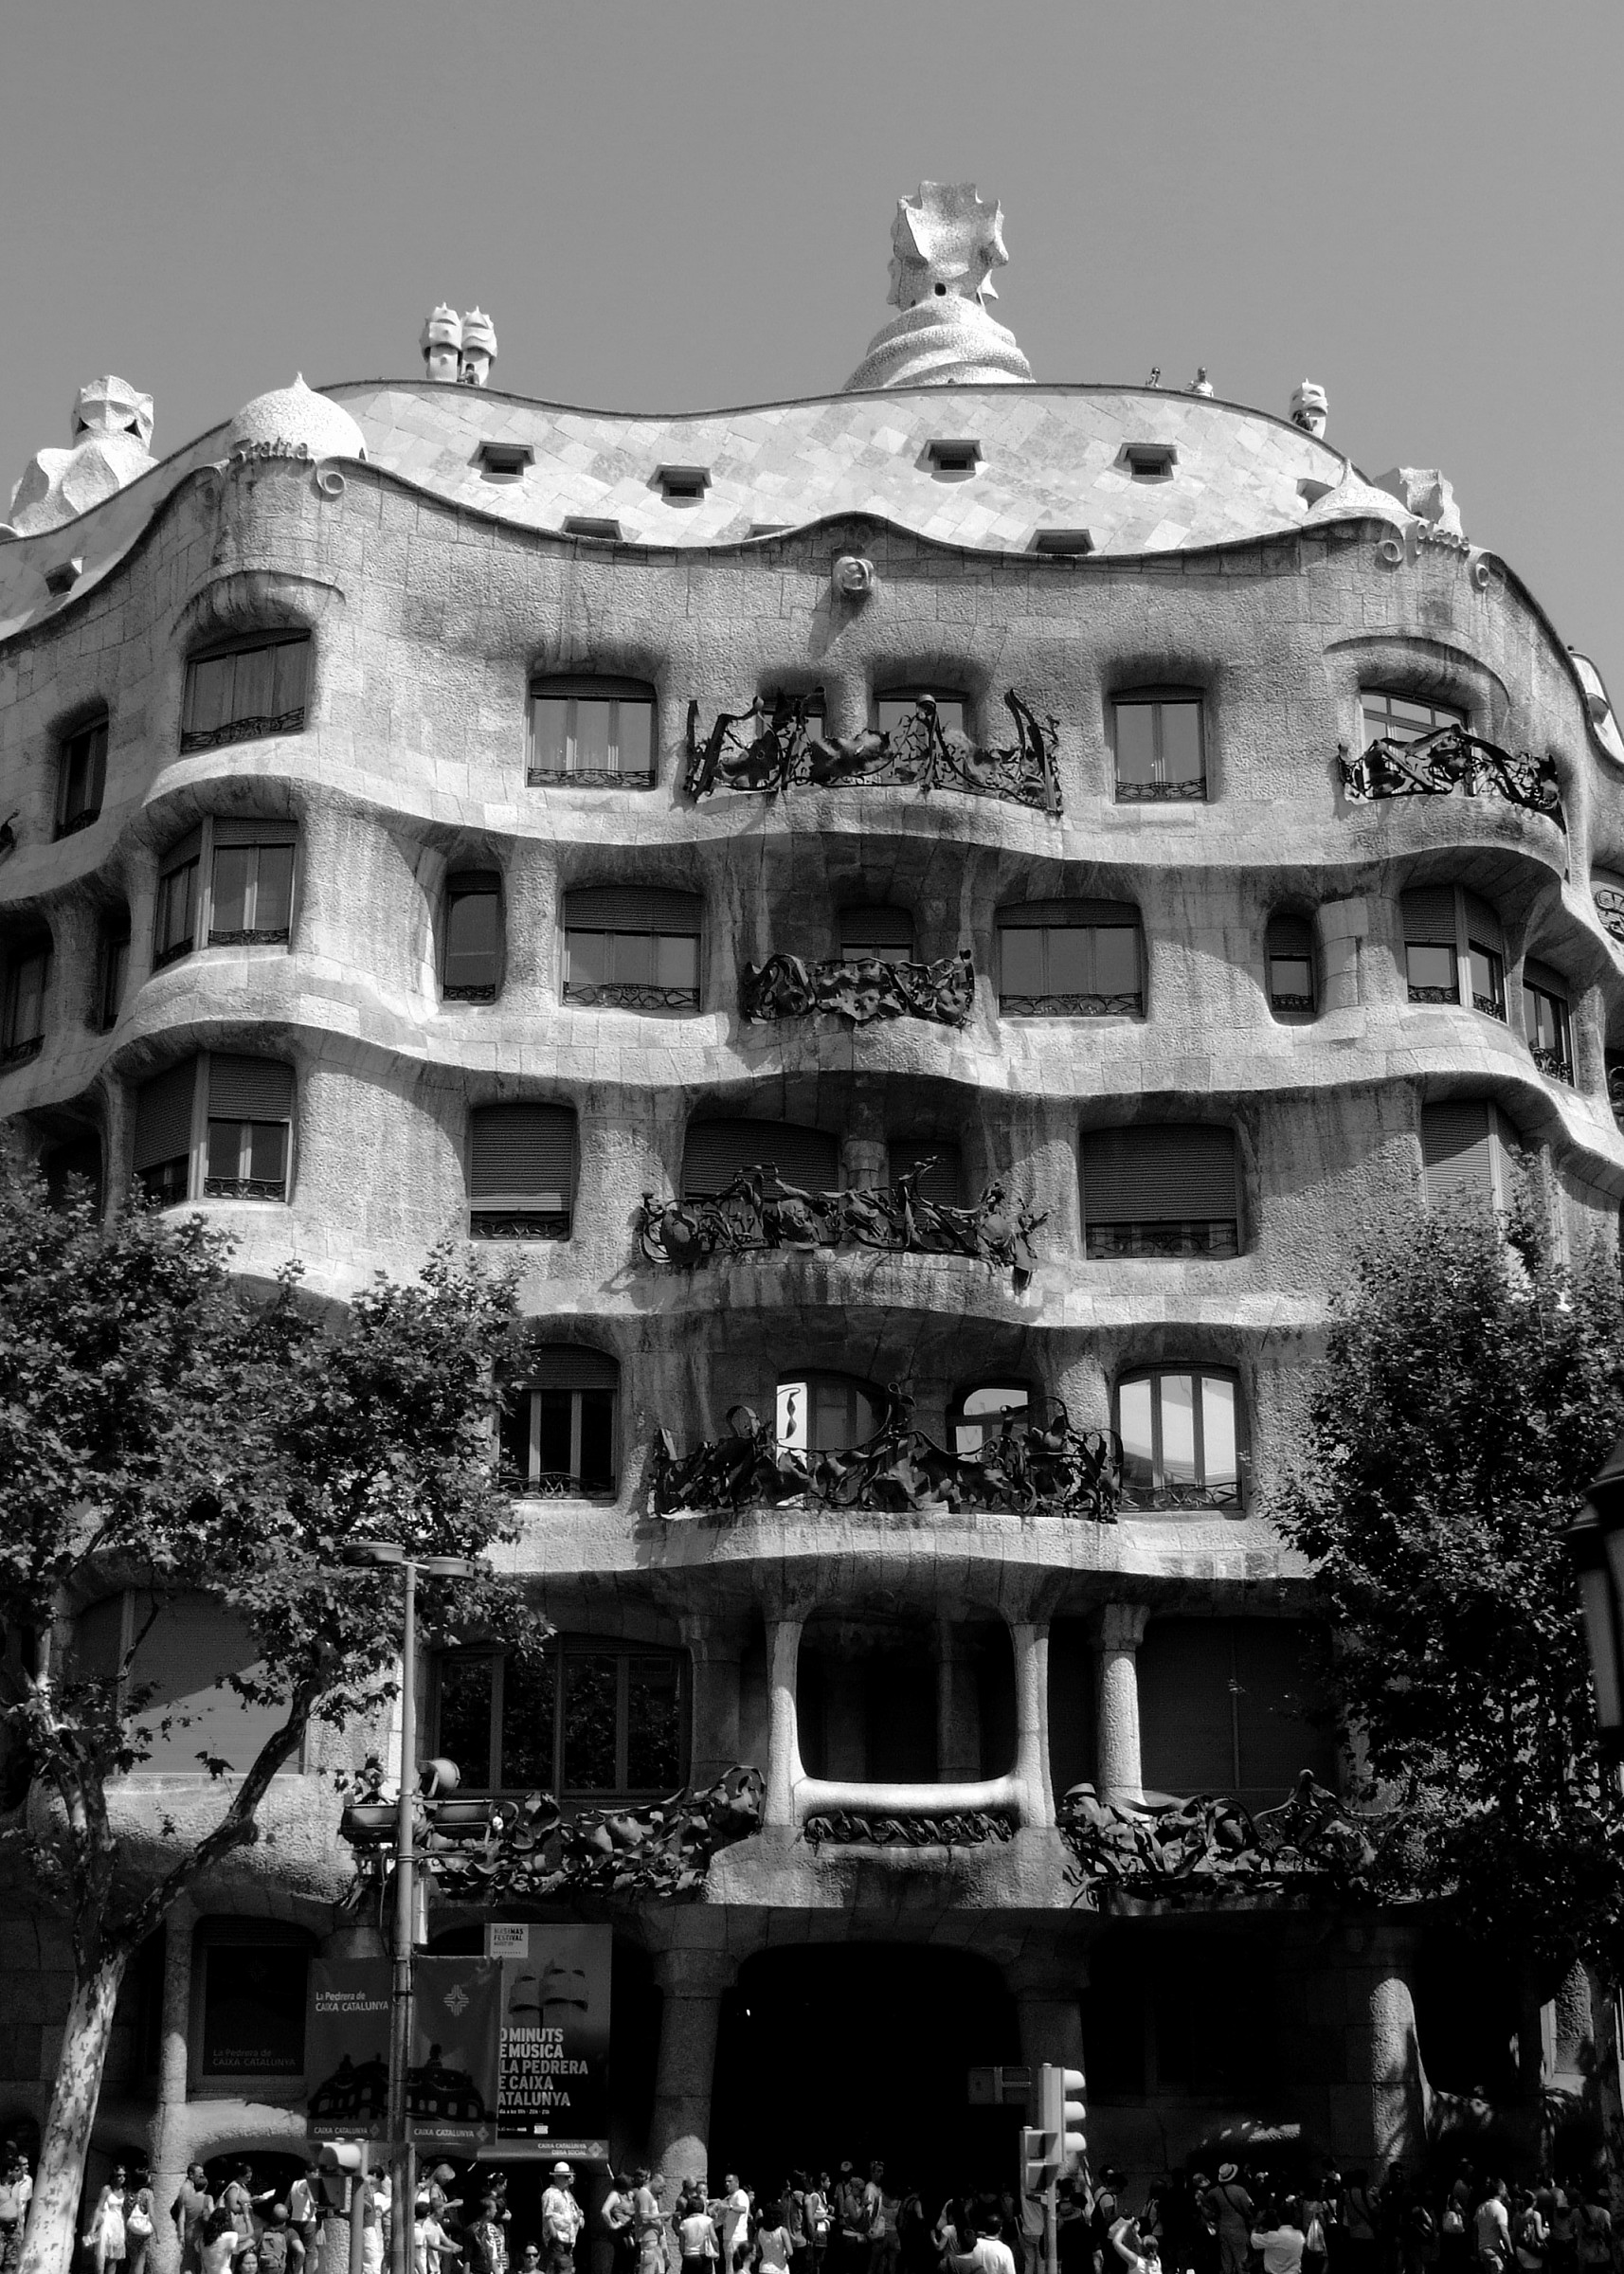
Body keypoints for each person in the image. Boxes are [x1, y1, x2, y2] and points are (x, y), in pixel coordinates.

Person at [1203, 2175, 1254, 2274]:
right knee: (1241, 2261)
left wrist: (1216, 2213)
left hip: (1223, 2228)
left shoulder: (1215, 2192)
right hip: (1238, 2228)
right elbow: (1247, 2209)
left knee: (1227, 2262)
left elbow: (1205, 2202)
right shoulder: (1240, 2190)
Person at [85, 2166, 131, 2274]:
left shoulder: (124, 2191)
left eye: (124, 2175)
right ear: (114, 2176)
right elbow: (99, 2208)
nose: (122, 2178)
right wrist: (93, 2228)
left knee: (114, 2258)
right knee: (101, 2256)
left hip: (119, 2223)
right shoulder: (106, 2189)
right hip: (107, 2223)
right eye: (119, 2175)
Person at [542, 2165, 585, 2274]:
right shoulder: (550, 2193)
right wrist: (554, 2233)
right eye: (565, 2177)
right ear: (557, 2177)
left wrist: (579, 2216)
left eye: (568, 2177)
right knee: (559, 2267)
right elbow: (547, 2215)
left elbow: (573, 2210)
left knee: (566, 2268)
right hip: (558, 2238)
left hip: (569, 2239)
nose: (567, 2180)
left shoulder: (567, 2194)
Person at [1251, 2203, 1308, 2274]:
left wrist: (1257, 2222)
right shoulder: (1299, 2235)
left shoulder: (1273, 2236)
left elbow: (1254, 2241)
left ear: (1278, 2219)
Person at [1474, 2185, 1511, 2274]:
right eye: (1505, 2189)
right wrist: (1510, 2250)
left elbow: (1475, 2230)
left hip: (1482, 2249)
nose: (1506, 2192)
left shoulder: (1481, 2207)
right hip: (1495, 2249)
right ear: (1500, 2191)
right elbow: (1504, 2232)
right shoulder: (1500, 2208)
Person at [258, 2207, 305, 2274]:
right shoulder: (290, 2233)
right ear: (287, 2217)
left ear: (271, 2216)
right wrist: (296, 2271)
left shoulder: (262, 2231)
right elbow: (301, 2251)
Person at [718, 2179, 750, 2274]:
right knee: (730, 2266)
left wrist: (730, 2207)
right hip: (729, 2237)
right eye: (725, 2182)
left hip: (736, 2237)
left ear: (737, 2183)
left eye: (730, 2181)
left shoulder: (740, 2194)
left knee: (736, 2267)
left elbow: (743, 2209)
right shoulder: (729, 2197)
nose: (727, 2184)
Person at [1574, 2197, 1611, 2274]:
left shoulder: (1576, 2212)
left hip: (1584, 2253)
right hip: (1601, 2253)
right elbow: (1608, 2234)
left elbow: (1571, 2229)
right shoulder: (1604, 2213)